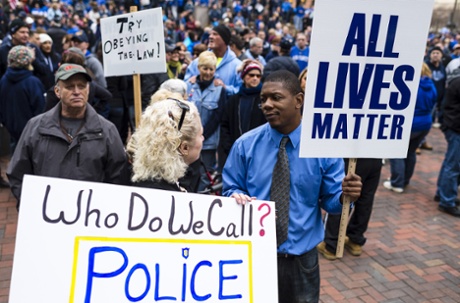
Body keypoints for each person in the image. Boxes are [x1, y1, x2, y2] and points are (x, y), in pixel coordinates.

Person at [223, 70, 362, 302]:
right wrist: (237, 196)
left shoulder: (323, 149)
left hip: (302, 260)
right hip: (255, 256)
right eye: (263, 99)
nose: (267, 104)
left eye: (276, 97)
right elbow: (229, 189)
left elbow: (331, 201)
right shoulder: (245, 146)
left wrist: (345, 197)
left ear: (298, 100)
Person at [7, 64, 129, 208]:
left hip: (90, 218)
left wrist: (104, 210)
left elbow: (118, 177)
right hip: (47, 218)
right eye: (70, 87)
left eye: (82, 86)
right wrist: (31, 207)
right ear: (58, 91)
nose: (77, 92)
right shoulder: (36, 127)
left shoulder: (107, 130)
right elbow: (18, 173)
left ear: (88, 90)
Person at [383, 63, 437, 193]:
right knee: (411, 152)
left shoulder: (411, 86)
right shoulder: (431, 86)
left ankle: (397, 182)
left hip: (411, 123)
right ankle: (405, 180)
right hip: (425, 123)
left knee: (396, 152)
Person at [131, 98, 203, 191]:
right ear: (184, 148)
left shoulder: (142, 183)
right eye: (200, 135)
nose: (203, 139)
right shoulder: (167, 197)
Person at [317, 158, 382, 260]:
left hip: (354, 157)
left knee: (343, 194)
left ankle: (331, 244)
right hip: (375, 158)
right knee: (365, 199)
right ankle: (355, 239)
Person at [187, 51, 226, 187]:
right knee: (188, 173)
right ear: (199, 68)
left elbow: (218, 116)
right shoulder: (189, 86)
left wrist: (203, 134)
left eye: (211, 69)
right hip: (189, 139)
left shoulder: (219, 89)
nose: (208, 72)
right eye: (205, 68)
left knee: (205, 175)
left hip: (208, 141)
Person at [219, 59, 266, 169]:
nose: (255, 78)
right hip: (236, 153)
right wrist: (229, 148)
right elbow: (225, 125)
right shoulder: (234, 100)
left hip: (259, 154)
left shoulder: (265, 99)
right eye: (251, 75)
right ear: (244, 76)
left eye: (258, 76)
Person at [0, 45, 45, 144]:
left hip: (12, 131)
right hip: (32, 134)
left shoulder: (3, 80)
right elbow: (40, 109)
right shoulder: (32, 82)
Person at [184, 24, 242, 95]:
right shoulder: (198, 61)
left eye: (215, 34)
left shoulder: (237, 65)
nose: (210, 37)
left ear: (224, 39)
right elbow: (185, 86)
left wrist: (225, 88)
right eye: (210, 34)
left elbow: (240, 90)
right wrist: (192, 82)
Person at [435, 58, 460, 217]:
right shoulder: (457, 82)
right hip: (455, 128)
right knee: (453, 165)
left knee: (450, 163)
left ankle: (443, 192)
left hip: (452, 126)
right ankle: (447, 200)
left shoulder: (455, 81)